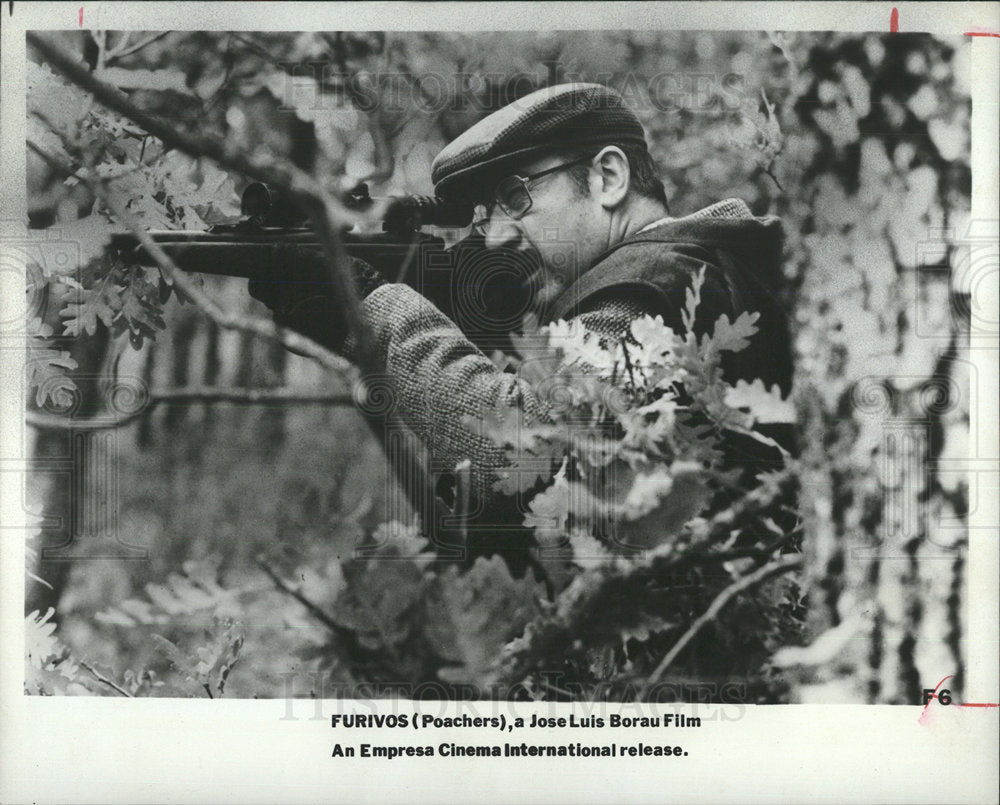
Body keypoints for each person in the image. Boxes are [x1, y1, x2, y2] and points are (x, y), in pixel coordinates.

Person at [249, 83, 795, 569]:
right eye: (488, 213)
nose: (496, 238)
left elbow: (528, 446)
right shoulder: (712, 264)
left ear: (608, 176)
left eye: (515, 197)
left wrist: (371, 309)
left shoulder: (650, 284)